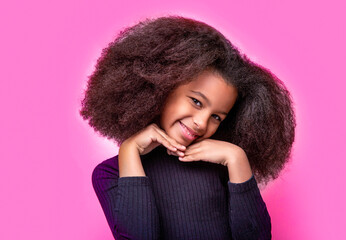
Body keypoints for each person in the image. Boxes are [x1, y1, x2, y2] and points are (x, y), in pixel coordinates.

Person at [80, 15, 296, 240]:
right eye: (196, 102)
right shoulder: (109, 174)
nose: (202, 123)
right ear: (162, 86)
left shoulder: (221, 165)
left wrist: (236, 157)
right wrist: (130, 150)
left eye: (216, 117)